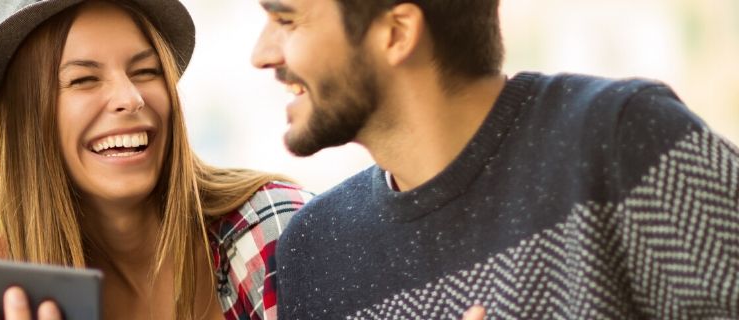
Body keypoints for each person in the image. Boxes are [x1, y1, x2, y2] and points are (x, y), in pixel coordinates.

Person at [249, 0, 739, 318]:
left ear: (397, 33)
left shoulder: (626, 139)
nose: (261, 54)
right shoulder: (310, 253)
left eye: (286, 20)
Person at [0, 1, 312, 319]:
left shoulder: (276, 232)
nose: (130, 98)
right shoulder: (8, 301)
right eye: (84, 80)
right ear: (23, 122)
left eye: (147, 71)